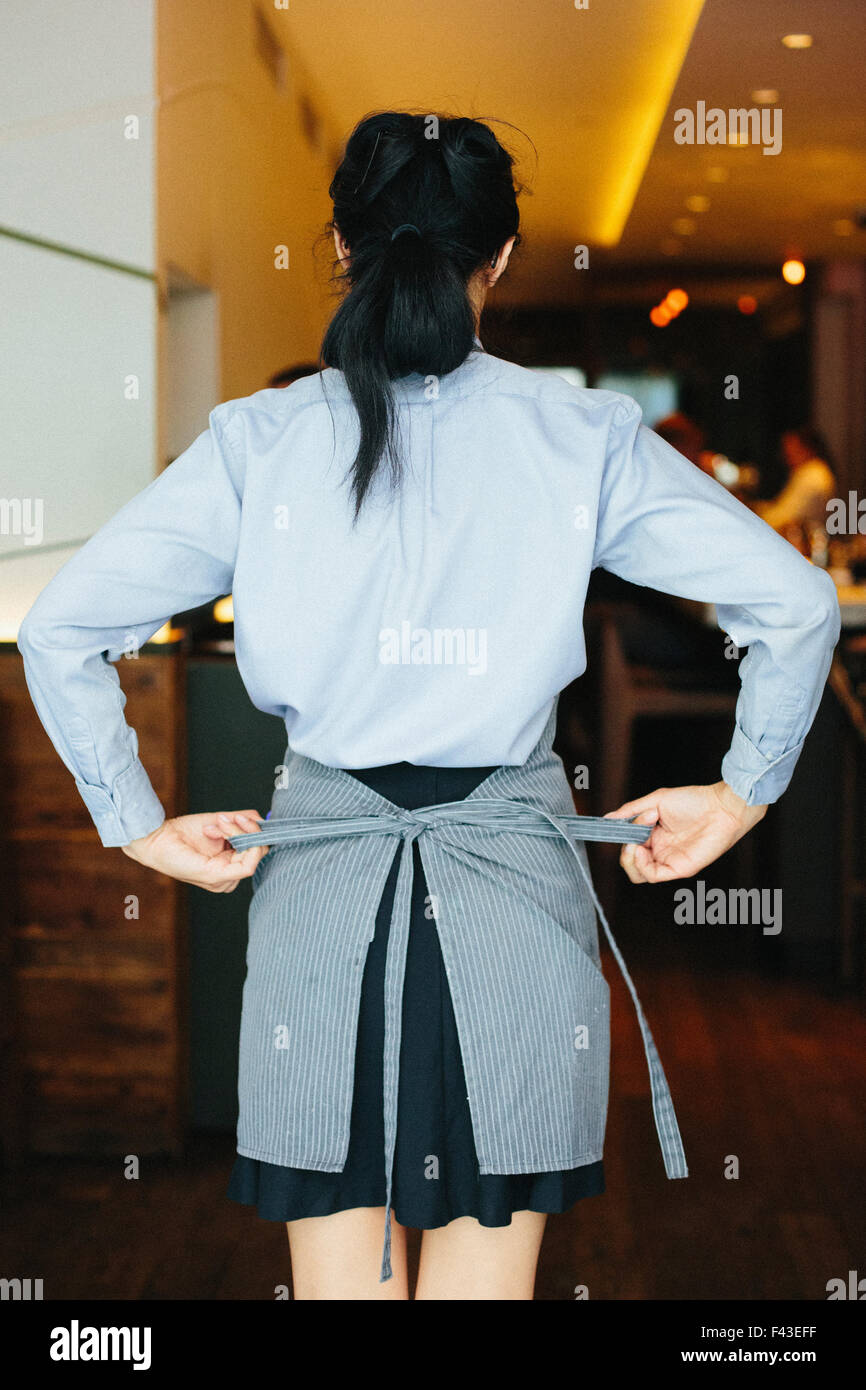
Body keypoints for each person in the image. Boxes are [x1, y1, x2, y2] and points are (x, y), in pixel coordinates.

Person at [16, 110, 840, 1302]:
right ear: (497, 259)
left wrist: (138, 824)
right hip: (514, 881)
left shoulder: (258, 441)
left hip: (321, 888)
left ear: (342, 246)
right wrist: (740, 794)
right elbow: (797, 604)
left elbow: (60, 628)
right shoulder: (581, 434)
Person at [754, 426, 837, 533]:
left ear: (806, 448)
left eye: (792, 448)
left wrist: (751, 517)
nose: (786, 454)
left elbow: (785, 516)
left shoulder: (812, 474)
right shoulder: (809, 471)